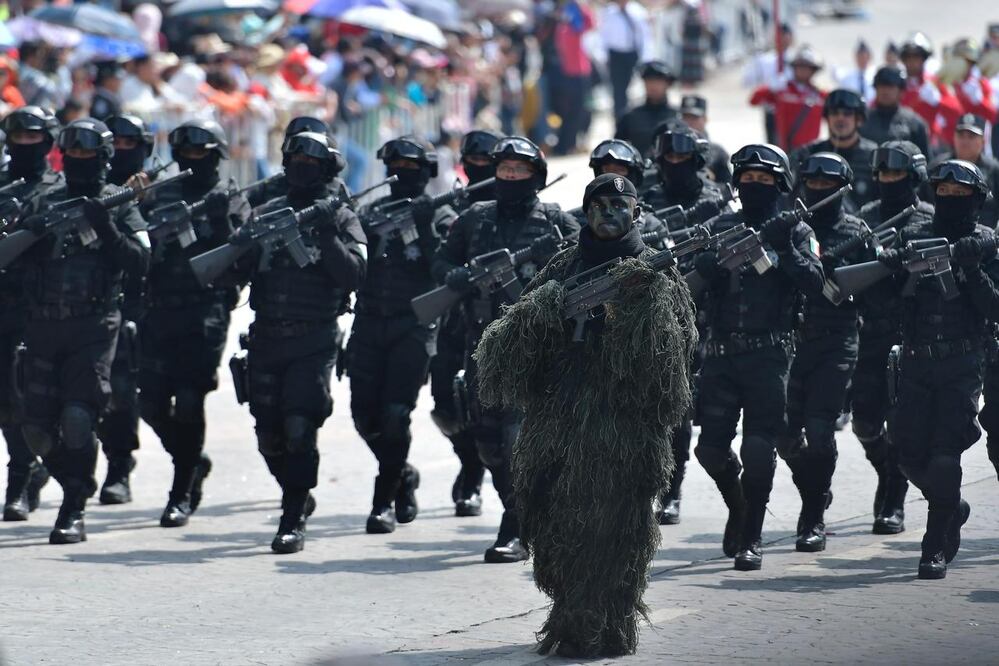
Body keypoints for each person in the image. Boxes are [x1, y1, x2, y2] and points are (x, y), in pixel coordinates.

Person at [473, 173, 696, 657]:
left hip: (621, 423)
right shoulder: (562, 265)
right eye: (598, 204)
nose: (608, 213)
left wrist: (637, 307)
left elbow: (673, 367)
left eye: (620, 204)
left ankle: (596, 626)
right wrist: (546, 311)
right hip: (557, 416)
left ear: (637, 213)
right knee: (550, 522)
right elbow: (513, 343)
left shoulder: (654, 273)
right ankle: (571, 611)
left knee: (609, 532)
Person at [433, 136, 579, 563]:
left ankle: (516, 526)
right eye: (504, 170)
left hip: (534, 349)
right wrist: (457, 276)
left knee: (517, 440)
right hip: (482, 345)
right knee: (488, 443)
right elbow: (441, 262)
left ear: (536, 176)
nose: (511, 177)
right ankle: (525, 512)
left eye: (519, 171)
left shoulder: (554, 221)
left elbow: (586, 264)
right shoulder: (475, 218)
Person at [688, 143, 823, 570]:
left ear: (780, 185)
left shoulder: (795, 230)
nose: (755, 185)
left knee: (760, 450)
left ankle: (752, 536)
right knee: (709, 450)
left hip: (770, 356)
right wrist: (708, 264)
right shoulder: (719, 225)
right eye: (748, 178)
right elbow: (686, 283)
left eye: (765, 180)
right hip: (721, 354)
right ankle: (739, 505)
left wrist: (784, 251)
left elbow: (816, 282)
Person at [16, 119, 149, 544]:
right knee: (35, 429)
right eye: (72, 153)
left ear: (104, 157)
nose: (79, 161)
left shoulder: (119, 203)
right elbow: (12, 264)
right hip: (42, 327)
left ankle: (74, 505)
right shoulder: (44, 200)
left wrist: (106, 226)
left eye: (88, 154)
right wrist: (34, 232)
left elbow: (140, 261)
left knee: (78, 419)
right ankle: (74, 482)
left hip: (92, 327)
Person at [239, 131, 366, 553]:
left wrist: (328, 235)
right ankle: (296, 489)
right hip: (266, 336)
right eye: (293, 157)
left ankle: (292, 512)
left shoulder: (341, 214)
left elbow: (355, 277)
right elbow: (229, 276)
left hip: (314, 337)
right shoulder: (267, 211)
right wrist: (240, 243)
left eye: (310, 160)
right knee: (268, 436)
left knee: (299, 427)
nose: (300, 165)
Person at [880, 160, 999, 579]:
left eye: (959, 195)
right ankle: (952, 507)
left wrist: (967, 269)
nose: (950, 200)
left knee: (945, 455)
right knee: (907, 454)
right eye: (943, 193)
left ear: (977, 199)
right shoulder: (915, 237)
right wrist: (897, 267)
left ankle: (935, 546)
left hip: (962, 362)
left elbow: (995, 308)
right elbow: (883, 300)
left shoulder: (985, 245)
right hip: (914, 360)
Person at [138, 120, 251, 527]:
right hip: (160, 309)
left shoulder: (229, 197)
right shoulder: (160, 195)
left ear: (217, 155)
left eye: (201, 153)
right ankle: (190, 459)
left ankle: (181, 487)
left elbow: (243, 258)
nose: (192, 159)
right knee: (148, 401)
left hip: (205, 310)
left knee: (188, 401)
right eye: (185, 152)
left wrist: (221, 222)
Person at [347, 136, 456, 534]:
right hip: (370, 321)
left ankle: (383, 500)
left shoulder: (440, 213)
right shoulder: (373, 212)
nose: (402, 173)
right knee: (364, 416)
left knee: (395, 415)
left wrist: (426, 224)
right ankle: (403, 473)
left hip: (413, 326)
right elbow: (351, 262)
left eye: (411, 167)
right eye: (395, 165)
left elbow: (444, 266)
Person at [777, 152, 863, 552]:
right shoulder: (791, 228)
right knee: (785, 436)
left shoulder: (858, 232)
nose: (819, 189)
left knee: (821, 432)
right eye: (812, 183)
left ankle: (812, 516)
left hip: (837, 341)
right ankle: (815, 489)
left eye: (828, 184)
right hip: (794, 341)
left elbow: (877, 288)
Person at [851, 140, 934, 535]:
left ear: (913, 176)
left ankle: (895, 499)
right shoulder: (865, 216)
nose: (888, 180)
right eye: (883, 173)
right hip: (869, 332)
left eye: (896, 173)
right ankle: (887, 468)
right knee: (864, 420)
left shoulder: (926, 219)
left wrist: (897, 258)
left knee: (900, 421)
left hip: (909, 334)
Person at [429, 129, 502, 518]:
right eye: (471, 161)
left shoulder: (515, 207)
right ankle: (469, 462)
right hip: (454, 317)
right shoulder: (453, 207)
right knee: (445, 402)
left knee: (491, 406)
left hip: (498, 319)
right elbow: (436, 259)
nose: (478, 169)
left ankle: (484, 472)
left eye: (485, 162)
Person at [0, 107, 62, 522]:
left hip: (38, 306)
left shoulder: (60, 188)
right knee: (4, 399)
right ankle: (26, 468)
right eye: (17, 137)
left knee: (28, 396)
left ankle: (24, 473)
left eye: (32, 137)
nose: (24, 144)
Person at [95, 115, 156, 505]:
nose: (120, 150)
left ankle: (119, 465)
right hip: (88, 296)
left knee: (121, 391)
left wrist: (142, 203)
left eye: (128, 143)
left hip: (140, 302)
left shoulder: (159, 187)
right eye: (112, 142)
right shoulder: (88, 186)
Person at [791, 89, 878, 213]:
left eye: (847, 113)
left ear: (858, 119)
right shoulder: (807, 154)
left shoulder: (874, 157)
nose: (840, 118)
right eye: (834, 113)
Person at [926, 114, 999, 227]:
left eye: (971, 136)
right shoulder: (937, 167)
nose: (965, 141)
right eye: (961, 135)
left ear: (983, 141)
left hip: (985, 239)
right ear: (954, 137)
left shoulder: (995, 170)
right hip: (942, 236)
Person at [749, 46, 827, 151]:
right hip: (786, 150)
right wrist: (770, 86)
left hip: (810, 152)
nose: (803, 70)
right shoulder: (782, 90)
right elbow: (754, 100)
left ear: (813, 70)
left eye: (807, 67)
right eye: (800, 66)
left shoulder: (820, 95)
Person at [898, 33, 963, 149]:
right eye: (909, 57)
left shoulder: (934, 83)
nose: (912, 61)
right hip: (901, 141)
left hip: (929, 143)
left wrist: (938, 101)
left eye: (916, 57)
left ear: (923, 59)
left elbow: (957, 111)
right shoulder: (895, 84)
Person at [859, 66, 930, 157]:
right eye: (881, 86)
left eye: (890, 87)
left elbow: (925, 162)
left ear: (901, 91)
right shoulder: (862, 119)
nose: (885, 91)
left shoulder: (914, 123)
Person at [741, 22, 794, 144]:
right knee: (773, 143)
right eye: (779, 35)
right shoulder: (765, 60)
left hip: (791, 107)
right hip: (772, 108)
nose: (782, 39)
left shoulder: (796, 58)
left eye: (785, 35)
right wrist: (752, 63)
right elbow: (747, 81)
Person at [599, 0, 652, 119]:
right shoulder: (609, 12)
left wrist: (645, 57)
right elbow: (603, 35)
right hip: (615, 55)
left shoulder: (637, 11)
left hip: (632, 54)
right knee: (618, 90)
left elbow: (644, 35)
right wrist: (603, 56)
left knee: (635, 88)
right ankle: (619, 117)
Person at [615, 61, 678, 158]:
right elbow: (618, 150)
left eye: (658, 81)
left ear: (668, 84)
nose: (653, 86)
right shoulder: (630, 117)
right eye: (649, 80)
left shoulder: (678, 116)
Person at [680, 95, 731, 184]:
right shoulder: (670, 148)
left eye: (694, 118)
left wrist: (709, 186)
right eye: (686, 117)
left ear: (705, 119)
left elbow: (728, 186)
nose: (689, 122)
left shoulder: (717, 152)